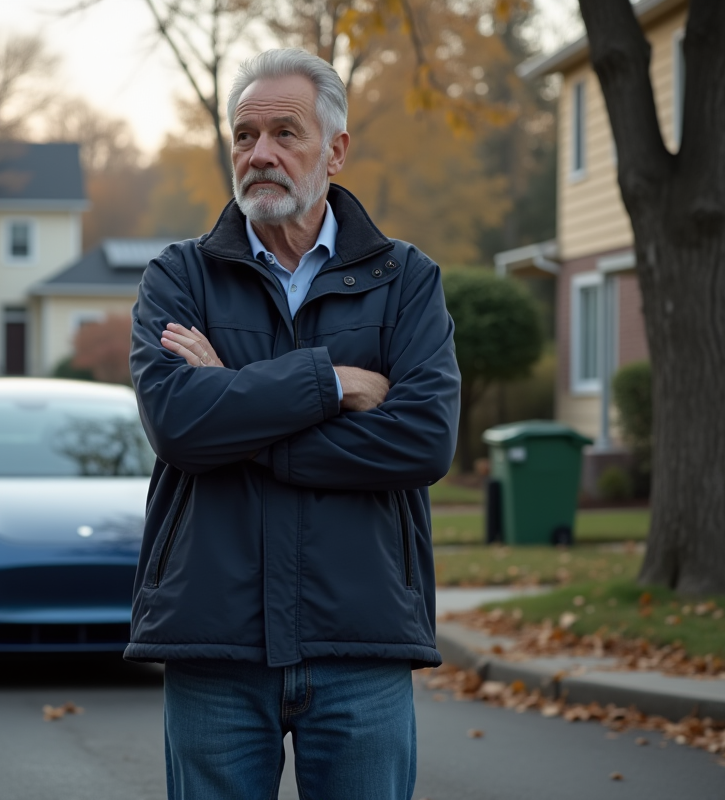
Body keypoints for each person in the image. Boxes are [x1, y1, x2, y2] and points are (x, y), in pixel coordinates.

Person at [126, 49, 461, 799]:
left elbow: (423, 439)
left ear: (335, 150)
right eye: (245, 137)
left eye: (285, 132)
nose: (260, 154)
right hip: (215, 642)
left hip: (361, 640)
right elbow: (179, 425)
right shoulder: (179, 277)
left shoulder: (406, 281)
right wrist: (332, 381)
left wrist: (240, 421)